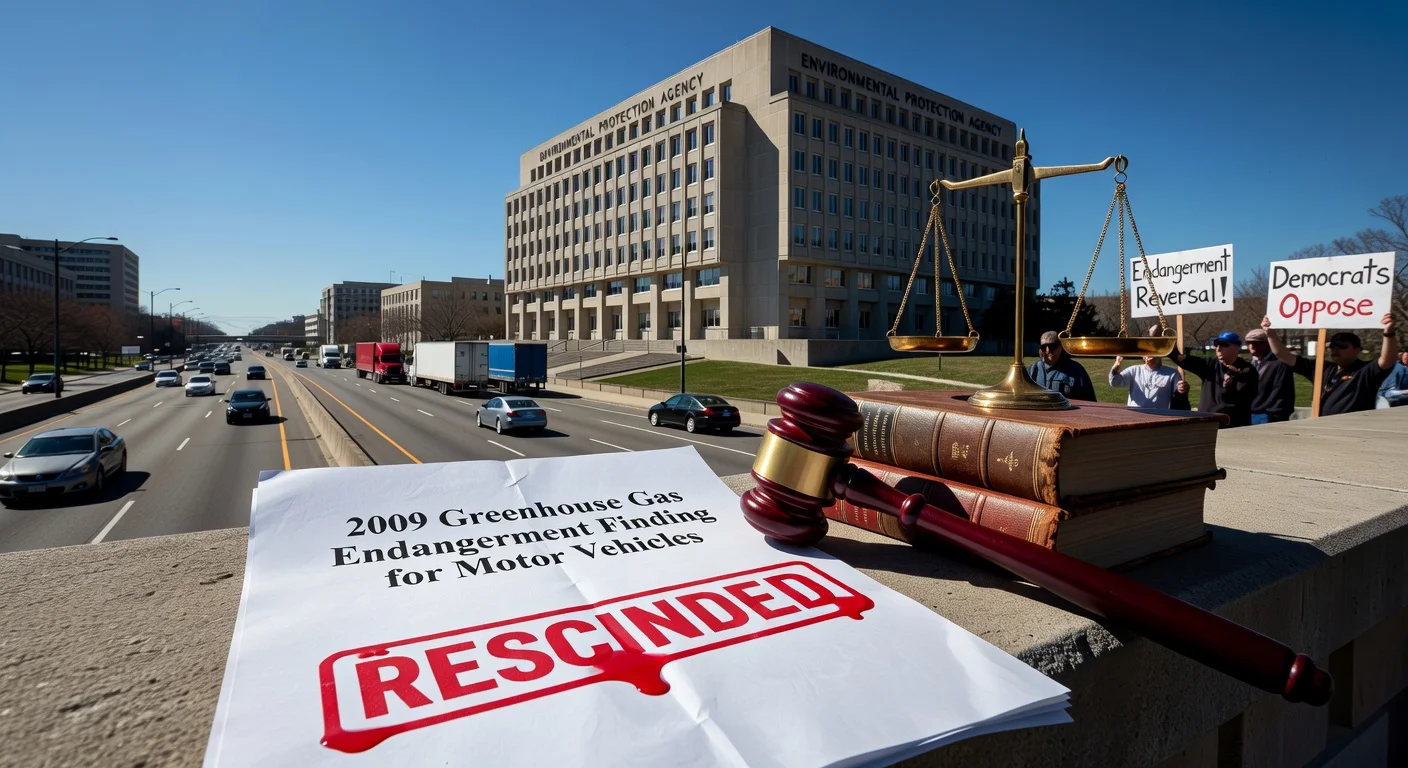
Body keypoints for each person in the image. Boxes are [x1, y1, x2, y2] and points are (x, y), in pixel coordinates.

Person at [1260, 313, 1399, 417]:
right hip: (1324, 428)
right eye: (1332, 345)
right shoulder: (1322, 368)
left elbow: (1387, 360)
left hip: (1354, 431)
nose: (1335, 349)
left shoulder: (1365, 371)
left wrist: (1389, 334)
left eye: (1342, 346)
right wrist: (1270, 333)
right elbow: (1283, 355)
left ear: (1357, 350)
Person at [1168, 331, 1259, 428]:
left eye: (1224, 345)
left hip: (1233, 425)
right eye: (1216, 344)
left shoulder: (1247, 370)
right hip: (1207, 422)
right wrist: (1168, 346)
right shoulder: (1210, 365)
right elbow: (1182, 359)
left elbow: (1247, 396)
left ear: (1237, 348)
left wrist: (1235, 375)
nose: (1218, 348)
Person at [1108, 325, 1190, 409]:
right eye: (1146, 353)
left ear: (1160, 354)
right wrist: (1116, 365)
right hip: (1135, 415)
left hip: (1159, 416)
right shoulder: (1134, 371)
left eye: (1152, 352)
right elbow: (1114, 382)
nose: (1148, 356)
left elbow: (1179, 394)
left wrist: (1182, 389)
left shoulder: (1172, 374)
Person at [1244, 328, 1296, 424]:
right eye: (1248, 343)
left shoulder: (1280, 364)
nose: (1252, 346)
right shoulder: (1249, 364)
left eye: (1256, 343)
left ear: (1267, 343)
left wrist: (1275, 414)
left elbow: (1281, 392)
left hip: (1270, 416)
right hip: (1250, 414)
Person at [1029, 330, 1096, 402]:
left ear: (1060, 347)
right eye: (1043, 347)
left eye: (1052, 346)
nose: (1048, 350)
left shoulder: (1076, 370)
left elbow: (1090, 402)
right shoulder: (1033, 370)